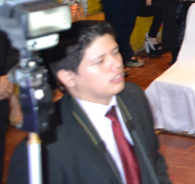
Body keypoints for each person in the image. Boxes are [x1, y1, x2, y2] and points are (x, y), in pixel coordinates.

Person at [8, 21, 172, 183]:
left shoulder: (133, 97)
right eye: (100, 61)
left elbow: (153, 160)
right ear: (68, 76)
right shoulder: (46, 148)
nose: (116, 64)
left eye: (115, 52)